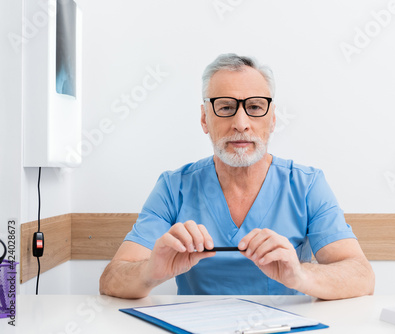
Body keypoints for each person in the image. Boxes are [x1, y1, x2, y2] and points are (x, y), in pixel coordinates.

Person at [99, 53, 375, 299]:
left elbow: (361, 276)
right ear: (205, 118)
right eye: (226, 107)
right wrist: (150, 272)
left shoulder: (306, 185)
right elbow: (111, 279)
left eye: (254, 107)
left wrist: (301, 276)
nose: (241, 124)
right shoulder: (174, 187)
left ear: (273, 119)